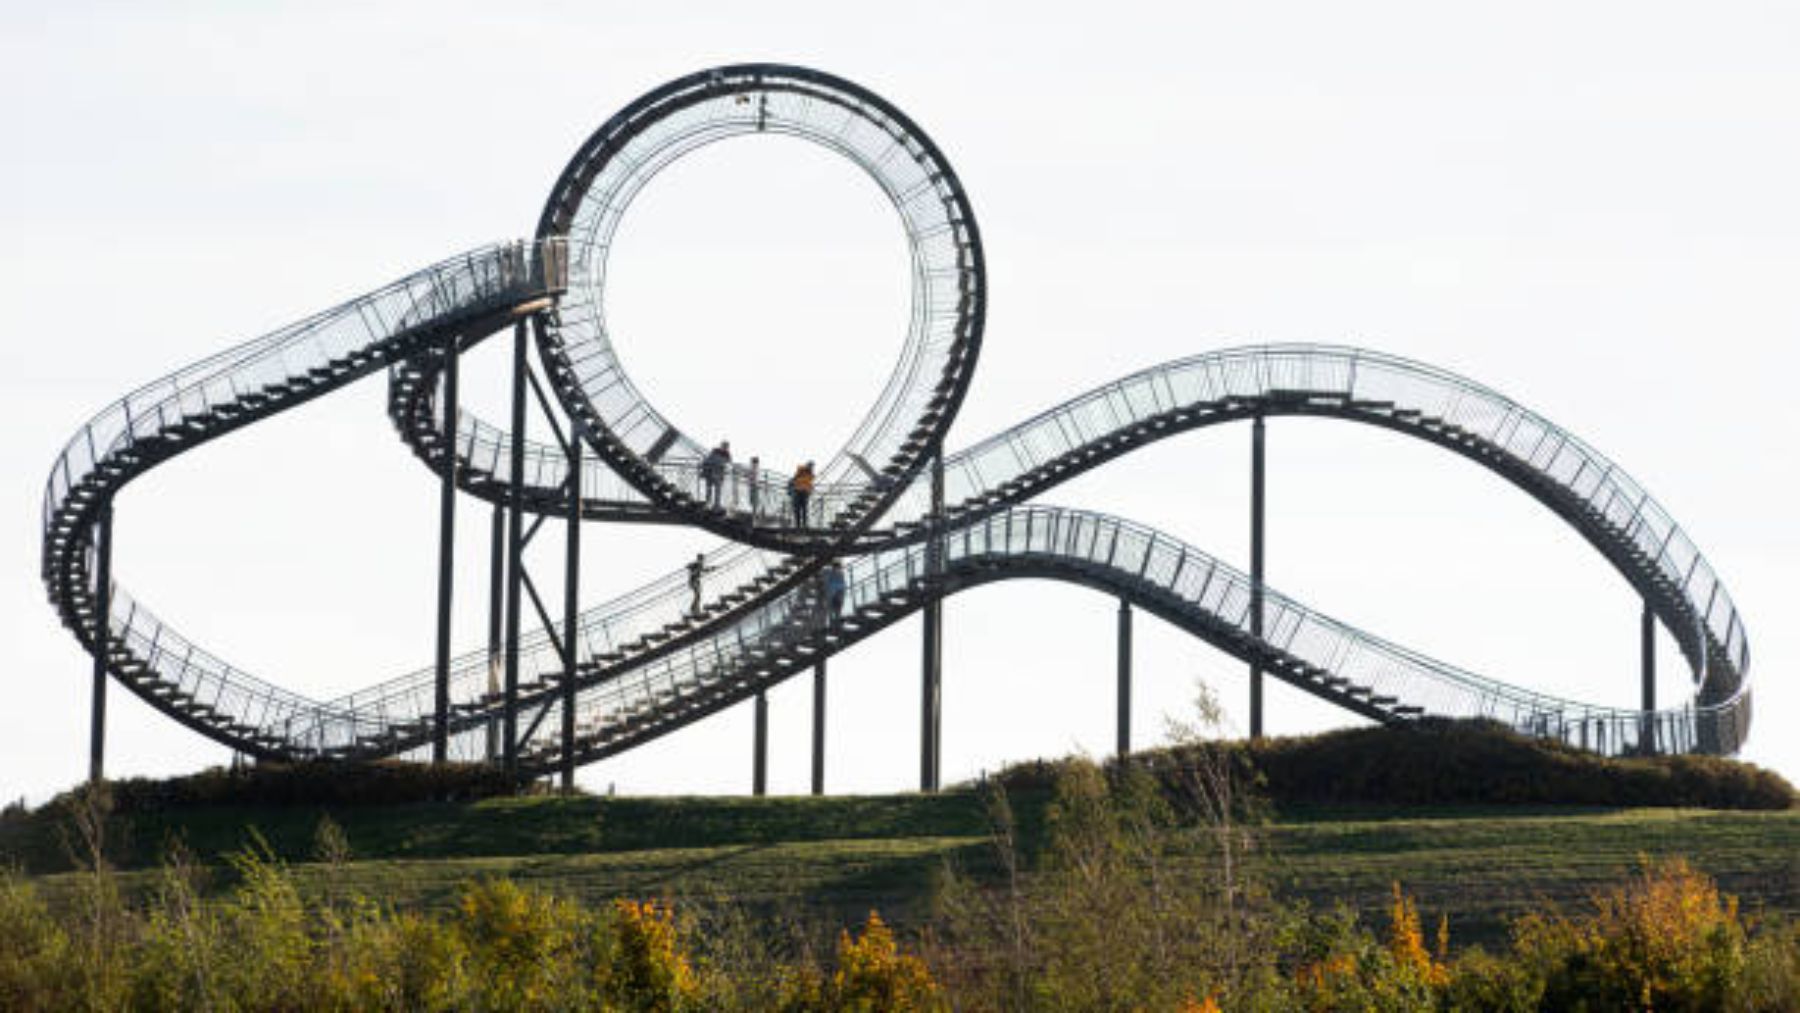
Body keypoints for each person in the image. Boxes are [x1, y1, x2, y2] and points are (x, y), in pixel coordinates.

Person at [701, 440, 731, 509]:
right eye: (724, 446)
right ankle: (709, 503)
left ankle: (715, 504)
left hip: (717, 474)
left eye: (726, 447)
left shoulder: (726, 454)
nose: (725, 448)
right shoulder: (716, 451)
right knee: (710, 489)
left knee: (717, 491)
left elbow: (727, 464)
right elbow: (709, 459)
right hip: (712, 473)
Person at [686, 552, 714, 617]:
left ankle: (695, 608)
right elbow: (689, 567)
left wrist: (711, 569)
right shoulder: (698, 564)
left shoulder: (698, 564)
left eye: (703, 559)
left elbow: (703, 570)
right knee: (698, 595)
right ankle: (694, 609)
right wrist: (694, 572)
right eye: (702, 559)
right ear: (700, 558)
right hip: (694, 581)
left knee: (698, 596)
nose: (703, 560)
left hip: (695, 581)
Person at [789, 460, 815, 528]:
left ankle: (803, 524)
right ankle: (798, 524)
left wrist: (810, 491)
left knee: (804, 509)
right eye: (810, 466)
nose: (811, 468)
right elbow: (795, 479)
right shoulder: (801, 470)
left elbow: (809, 484)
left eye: (812, 466)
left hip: (804, 492)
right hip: (798, 491)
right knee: (798, 509)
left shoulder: (810, 475)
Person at [823, 561, 847, 626]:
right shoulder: (829, 572)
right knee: (832, 607)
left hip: (838, 592)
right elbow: (827, 583)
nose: (839, 569)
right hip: (833, 592)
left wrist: (843, 590)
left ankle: (836, 620)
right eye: (838, 567)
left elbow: (843, 583)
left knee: (837, 607)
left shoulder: (840, 573)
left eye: (839, 568)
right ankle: (832, 621)